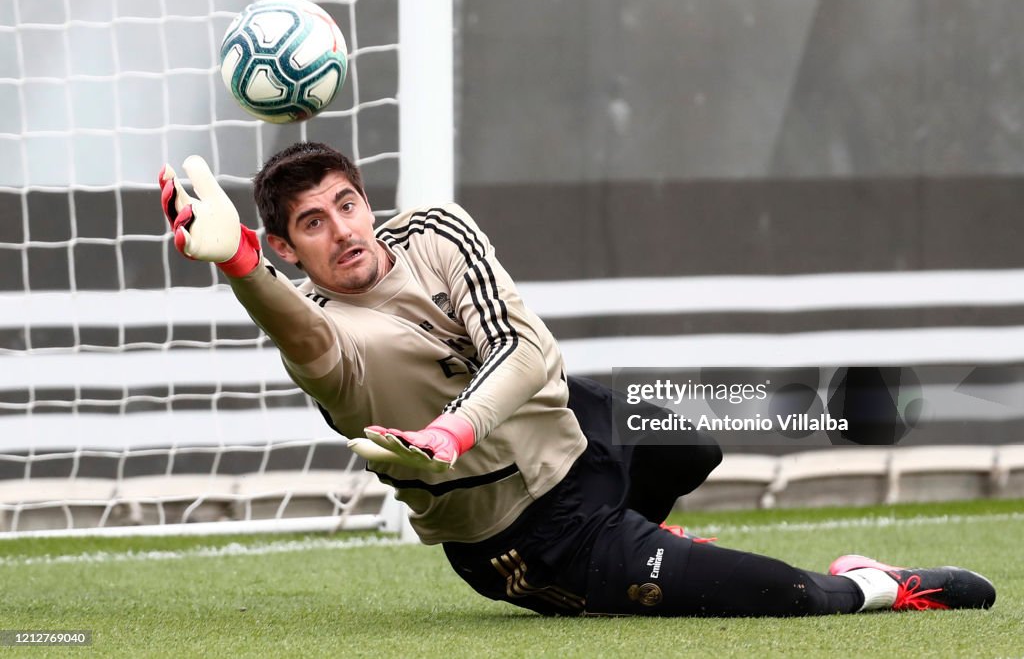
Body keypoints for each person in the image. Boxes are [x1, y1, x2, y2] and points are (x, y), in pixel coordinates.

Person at [158, 142, 996, 617]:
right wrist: (238, 266)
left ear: (365, 198)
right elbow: (300, 334)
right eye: (311, 222)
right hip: (531, 534)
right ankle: (881, 581)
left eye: (346, 202)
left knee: (702, 426)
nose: (341, 228)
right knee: (794, 596)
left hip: (582, 424)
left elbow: (529, 353)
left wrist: (452, 429)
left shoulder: (435, 230)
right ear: (288, 249)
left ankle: (685, 530)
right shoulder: (323, 334)